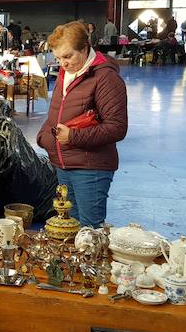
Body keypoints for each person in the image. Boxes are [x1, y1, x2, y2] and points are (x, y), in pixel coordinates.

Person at [36, 21, 128, 227]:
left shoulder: (105, 78)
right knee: (68, 226)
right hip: (63, 163)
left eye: (68, 56)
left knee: (89, 230)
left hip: (90, 167)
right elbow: (57, 113)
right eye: (58, 58)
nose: (63, 63)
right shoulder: (66, 73)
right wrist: (45, 137)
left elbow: (117, 127)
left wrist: (73, 137)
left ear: (85, 48)